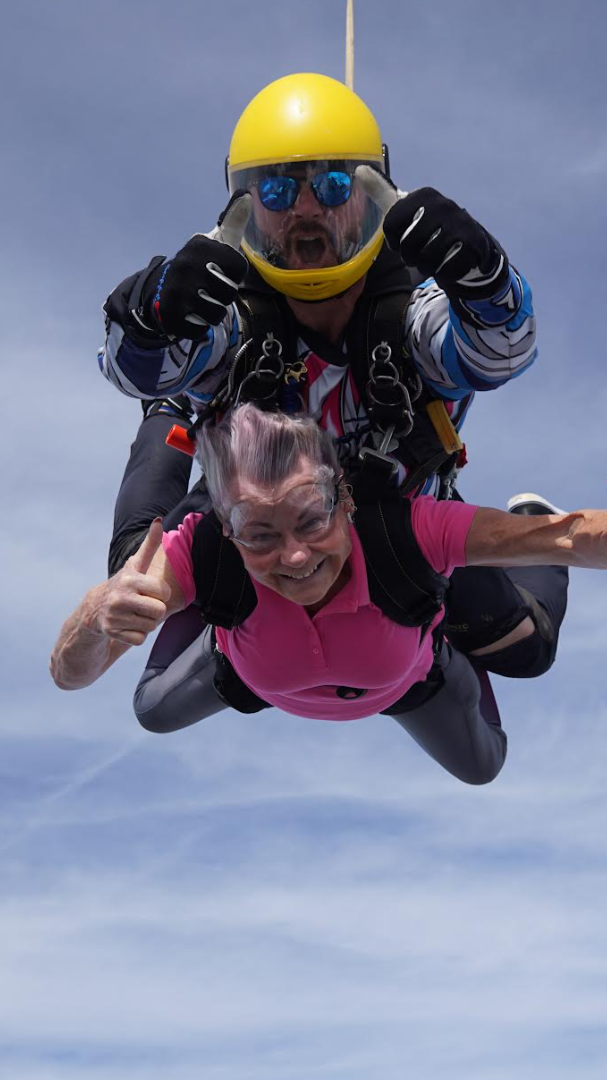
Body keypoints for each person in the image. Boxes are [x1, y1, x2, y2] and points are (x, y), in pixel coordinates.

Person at [97, 72, 563, 688]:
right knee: (135, 569)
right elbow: (141, 369)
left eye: (332, 184)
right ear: (246, 203)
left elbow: (495, 354)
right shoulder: (230, 310)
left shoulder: (408, 310)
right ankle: (246, 637)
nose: (306, 209)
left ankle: (519, 537)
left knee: (524, 652)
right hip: (260, 523)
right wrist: (149, 314)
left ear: (370, 195)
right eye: (278, 190)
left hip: (396, 517)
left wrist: (488, 284)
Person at [50, 405, 607, 785]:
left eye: (311, 520)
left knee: (484, 764)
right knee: (150, 709)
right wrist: (94, 614)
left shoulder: (406, 530)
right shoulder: (200, 551)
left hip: (409, 678)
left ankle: (449, 629)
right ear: (228, 529)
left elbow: (559, 540)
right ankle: (167, 419)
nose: (296, 556)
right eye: (261, 535)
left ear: (346, 500)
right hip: (252, 667)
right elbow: (71, 675)